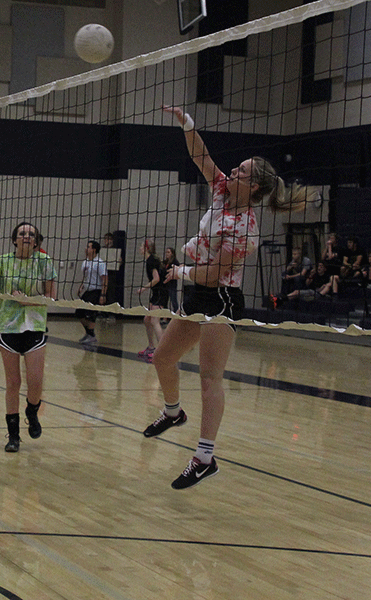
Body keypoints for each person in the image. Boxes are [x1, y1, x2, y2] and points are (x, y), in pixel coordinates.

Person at [144, 105, 309, 489]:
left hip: (221, 299)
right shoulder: (220, 189)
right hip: (198, 293)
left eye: (242, 172)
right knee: (163, 358)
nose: (233, 171)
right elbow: (200, 155)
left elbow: (214, 274)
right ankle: (172, 412)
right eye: (236, 168)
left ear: (253, 187)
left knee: (208, 378)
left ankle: (204, 457)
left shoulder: (246, 231)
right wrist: (187, 123)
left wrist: (181, 270)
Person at [0, 222, 57, 452]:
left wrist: (26, 301)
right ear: (15, 239)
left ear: (36, 241)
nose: (26, 236)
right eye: (22, 233)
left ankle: (32, 410)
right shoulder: (2, 262)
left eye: (31, 234)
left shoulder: (45, 262)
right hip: (8, 327)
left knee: (35, 382)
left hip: (36, 326)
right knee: (13, 383)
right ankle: (14, 436)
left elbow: (52, 297)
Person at [136, 239, 168, 361]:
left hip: (160, 294)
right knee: (147, 319)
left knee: (154, 321)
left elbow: (156, 279)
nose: (139, 248)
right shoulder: (151, 260)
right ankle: (151, 347)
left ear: (146, 248)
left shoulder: (151, 261)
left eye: (141, 246)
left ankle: (161, 352)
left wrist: (143, 288)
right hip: (157, 293)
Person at [75, 240, 107, 345]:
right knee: (79, 313)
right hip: (88, 291)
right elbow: (85, 277)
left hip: (96, 291)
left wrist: (103, 294)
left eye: (88, 247)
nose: (86, 248)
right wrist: (81, 287)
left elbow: (105, 279)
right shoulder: (85, 262)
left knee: (91, 314)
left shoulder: (100, 263)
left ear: (94, 250)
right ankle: (90, 334)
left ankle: (91, 335)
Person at [162, 246, 181, 313]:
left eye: (168, 252)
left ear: (172, 253)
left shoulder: (175, 262)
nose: (167, 254)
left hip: (172, 284)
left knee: (173, 301)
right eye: (166, 252)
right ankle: (165, 317)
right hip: (165, 285)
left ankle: (177, 315)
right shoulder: (164, 262)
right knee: (164, 301)